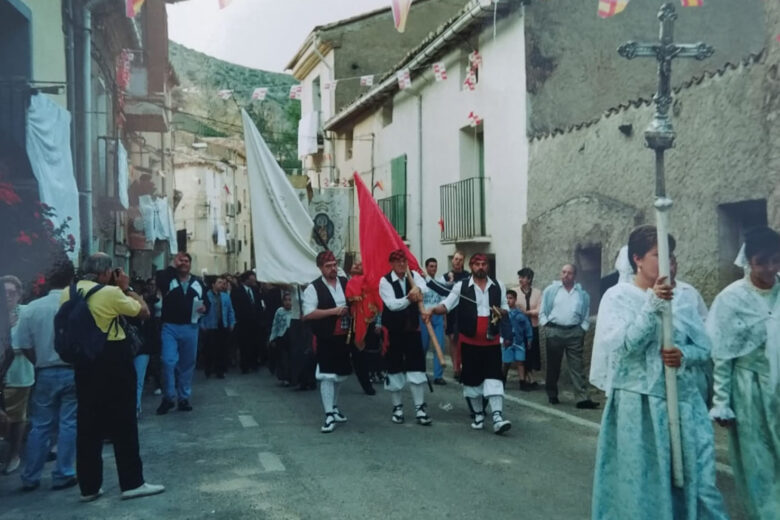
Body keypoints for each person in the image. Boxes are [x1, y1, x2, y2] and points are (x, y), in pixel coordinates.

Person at [589, 227, 726, 520]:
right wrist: (653, 304)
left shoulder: (686, 297)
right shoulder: (618, 297)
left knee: (701, 484)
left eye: (672, 256)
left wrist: (685, 355)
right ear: (637, 258)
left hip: (685, 405)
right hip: (639, 407)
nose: (670, 263)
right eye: (660, 256)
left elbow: (707, 347)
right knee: (646, 484)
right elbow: (627, 346)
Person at [61, 253, 164, 501]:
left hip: (84, 361)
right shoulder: (110, 293)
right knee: (123, 422)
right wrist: (126, 287)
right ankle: (131, 482)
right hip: (113, 358)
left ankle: (89, 486)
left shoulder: (69, 292)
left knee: (88, 424)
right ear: (105, 272)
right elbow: (143, 312)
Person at [707, 226, 780, 520]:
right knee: (757, 461)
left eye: (776, 260)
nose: (770, 268)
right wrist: (721, 401)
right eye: (762, 261)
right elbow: (723, 355)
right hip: (749, 390)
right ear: (749, 261)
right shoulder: (731, 299)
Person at [425, 253, 511, 434]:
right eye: (477, 264)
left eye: (484, 264)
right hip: (470, 342)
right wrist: (432, 309)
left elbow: (506, 308)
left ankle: (497, 417)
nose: (481, 267)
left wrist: (500, 311)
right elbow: (446, 306)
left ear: (488, 266)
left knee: (494, 378)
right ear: (471, 267)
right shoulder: (461, 286)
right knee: (472, 382)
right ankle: (478, 415)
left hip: (491, 341)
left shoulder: (498, 286)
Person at [18, 255, 77, 491]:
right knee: (69, 423)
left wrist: (39, 361)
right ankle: (63, 472)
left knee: (40, 425)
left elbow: (23, 344)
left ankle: (30, 475)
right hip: (71, 370)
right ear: (71, 279)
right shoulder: (75, 306)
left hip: (44, 371)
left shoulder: (32, 309)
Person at [378, 249, 432, 426]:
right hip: (394, 333)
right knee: (394, 370)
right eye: (398, 261)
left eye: (404, 261)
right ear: (392, 264)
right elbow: (392, 305)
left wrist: (418, 289)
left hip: (412, 331)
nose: (402, 264)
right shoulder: (384, 281)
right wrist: (410, 298)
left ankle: (420, 408)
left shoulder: (413, 275)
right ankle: (398, 408)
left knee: (416, 369)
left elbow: (425, 288)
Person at [302, 251, 353, 433]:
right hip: (325, 336)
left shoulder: (345, 283)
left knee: (340, 375)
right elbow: (308, 314)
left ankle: (335, 406)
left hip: (344, 336)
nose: (333, 268)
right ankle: (329, 414)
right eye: (328, 266)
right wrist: (334, 311)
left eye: (334, 264)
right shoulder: (313, 288)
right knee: (327, 375)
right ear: (320, 268)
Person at [539, 264, 599, 409]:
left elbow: (585, 313)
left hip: (574, 333)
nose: (566, 275)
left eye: (569, 273)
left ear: (574, 276)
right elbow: (543, 310)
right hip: (555, 331)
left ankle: (582, 398)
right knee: (553, 366)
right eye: (563, 272)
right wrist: (546, 325)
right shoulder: (551, 290)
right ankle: (552, 394)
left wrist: (582, 329)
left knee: (577, 366)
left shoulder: (582, 294)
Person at [155, 252, 207, 415]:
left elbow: (207, 302)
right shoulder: (168, 279)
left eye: (186, 261)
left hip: (190, 327)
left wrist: (205, 308)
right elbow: (160, 278)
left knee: (186, 364)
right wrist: (172, 265)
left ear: (191, 264)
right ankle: (168, 397)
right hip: (170, 326)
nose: (183, 263)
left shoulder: (198, 282)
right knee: (168, 361)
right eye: (180, 260)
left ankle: (183, 397)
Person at [1, 274, 33, 475]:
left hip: (20, 370)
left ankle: (14, 454)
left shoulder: (27, 313)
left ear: (20, 295)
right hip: (1, 374)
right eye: (3, 293)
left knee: (18, 417)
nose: (7, 297)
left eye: (12, 293)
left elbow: (29, 340)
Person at [344, 261, 376, 395]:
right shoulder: (346, 281)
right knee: (357, 354)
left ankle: (369, 380)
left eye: (360, 264)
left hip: (369, 321)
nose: (356, 266)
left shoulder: (371, 282)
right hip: (353, 323)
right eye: (355, 264)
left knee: (366, 353)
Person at [200, 276, 236, 379]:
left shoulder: (225, 297)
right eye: (219, 283)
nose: (222, 285)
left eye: (222, 283)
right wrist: (202, 325)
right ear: (213, 285)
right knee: (209, 349)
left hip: (222, 324)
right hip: (210, 325)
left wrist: (231, 322)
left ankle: (220, 370)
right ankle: (208, 368)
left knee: (222, 349)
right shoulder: (206, 296)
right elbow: (201, 312)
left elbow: (230, 310)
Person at [231, 271, 264, 374]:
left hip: (255, 322)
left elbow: (258, 304)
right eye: (252, 278)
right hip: (243, 322)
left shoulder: (255, 290)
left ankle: (254, 363)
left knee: (255, 343)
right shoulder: (237, 291)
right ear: (246, 279)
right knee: (244, 344)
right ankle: (244, 365)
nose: (254, 280)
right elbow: (235, 306)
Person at [421, 258, 448, 385]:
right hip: (424, 316)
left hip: (437, 316)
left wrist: (444, 319)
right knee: (423, 346)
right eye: (431, 266)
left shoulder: (438, 284)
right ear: (426, 268)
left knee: (439, 346)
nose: (433, 269)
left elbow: (444, 303)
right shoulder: (420, 284)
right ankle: (421, 372)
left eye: (435, 266)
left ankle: (438, 376)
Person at [514, 268, 542, 388]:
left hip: (533, 326)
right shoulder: (514, 291)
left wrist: (526, 312)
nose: (520, 279)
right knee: (522, 351)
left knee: (532, 352)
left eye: (523, 277)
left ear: (529, 279)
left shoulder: (537, 293)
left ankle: (529, 375)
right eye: (519, 277)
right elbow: (512, 307)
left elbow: (540, 309)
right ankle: (525, 377)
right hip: (519, 328)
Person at [444, 251, 469, 381]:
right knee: (453, 340)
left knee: (464, 341)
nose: (457, 261)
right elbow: (443, 295)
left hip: (464, 311)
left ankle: (464, 366)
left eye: (460, 259)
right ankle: (455, 368)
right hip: (451, 312)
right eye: (455, 259)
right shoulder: (446, 276)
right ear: (452, 261)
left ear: (463, 261)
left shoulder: (468, 276)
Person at [503, 290, 534, 391]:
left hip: (519, 342)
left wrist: (529, 338)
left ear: (515, 299)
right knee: (506, 363)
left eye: (511, 298)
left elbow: (527, 326)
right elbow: (499, 327)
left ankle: (522, 383)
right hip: (507, 342)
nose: (508, 300)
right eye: (506, 298)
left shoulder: (520, 314)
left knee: (520, 362)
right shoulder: (503, 314)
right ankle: (502, 381)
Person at [269, 291, 293, 386]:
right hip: (281, 336)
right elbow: (275, 325)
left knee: (291, 358)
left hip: (292, 337)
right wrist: (272, 337)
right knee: (283, 358)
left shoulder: (296, 310)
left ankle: (292, 377)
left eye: (290, 300)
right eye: (286, 300)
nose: (287, 302)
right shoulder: (279, 311)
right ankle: (284, 377)